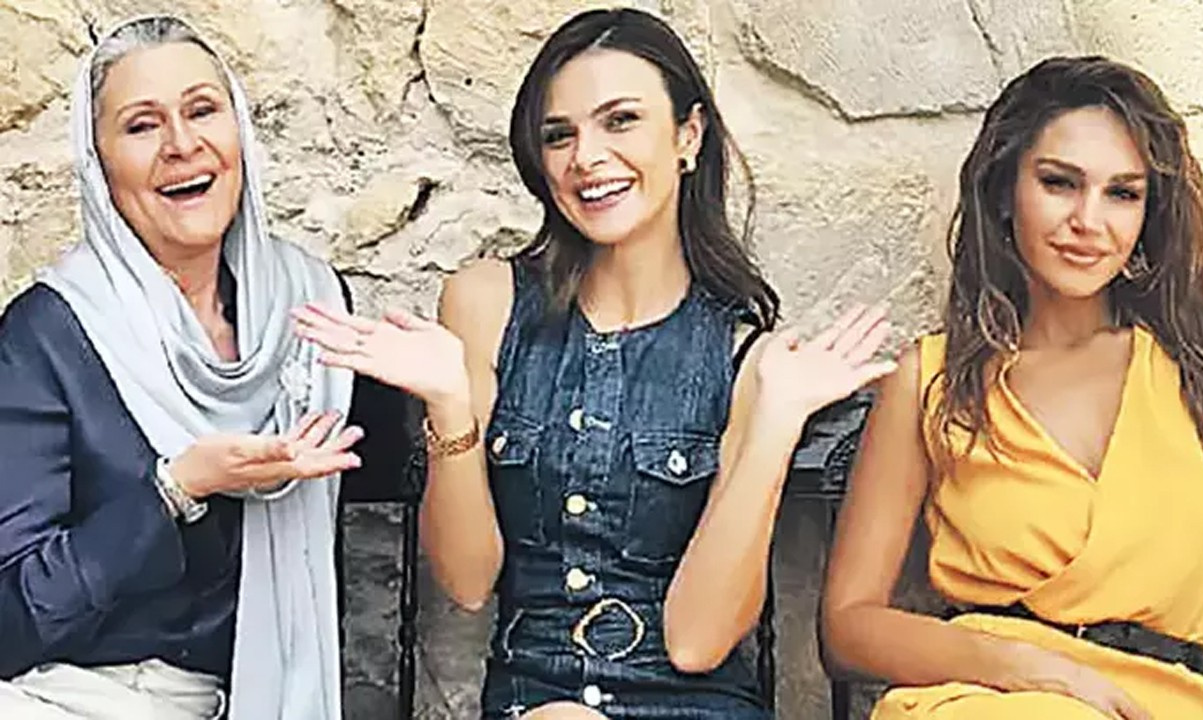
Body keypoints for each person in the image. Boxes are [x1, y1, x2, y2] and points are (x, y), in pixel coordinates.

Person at [292, 8, 894, 718]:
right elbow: (467, 581)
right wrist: (450, 407)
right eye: (560, 135)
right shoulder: (486, 303)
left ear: (689, 136)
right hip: (538, 703)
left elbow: (697, 642)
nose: (586, 157)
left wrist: (774, 427)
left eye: (621, 121)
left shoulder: (743, 353)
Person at [820, 55, 1203, 719]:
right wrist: (1028, 668)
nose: (1089, 220)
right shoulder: (934, 378)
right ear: (1005, 191)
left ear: (1150, 213)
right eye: (1060, 183)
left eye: (1123, 194)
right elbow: (847, 625)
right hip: (983, 699)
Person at [0, 15, 363, 719]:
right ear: (99, 165)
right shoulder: (48, 334)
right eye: (142, 126)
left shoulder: (310, 309)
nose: (181, 144)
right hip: (74, 698)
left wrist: (449, 397)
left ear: (239, 132)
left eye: (202, 110)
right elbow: (10, 618)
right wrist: (175, 488)